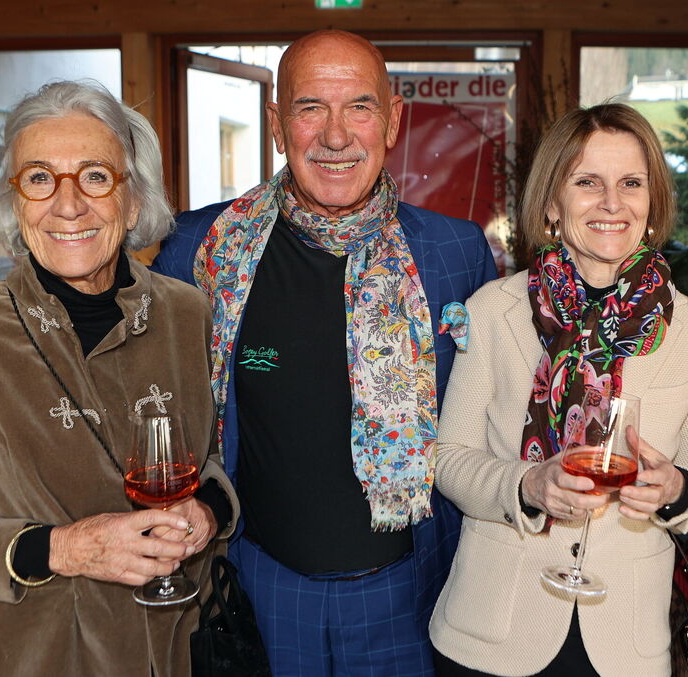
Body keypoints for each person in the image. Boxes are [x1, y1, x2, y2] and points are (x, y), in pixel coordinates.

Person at [152, 30, 496, 676]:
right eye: (310, 107)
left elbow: (504, 403)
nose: (336, 136)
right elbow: (141, 389)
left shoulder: (456, 253)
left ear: (393, 121)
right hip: (261, 585)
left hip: (413, 591)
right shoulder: (201, 249)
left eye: (360, 107)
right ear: (277, 125)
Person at [0, 81, 238, 676]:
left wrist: (208, 512)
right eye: (40, 178)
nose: (68, 204)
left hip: (173, 647)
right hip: (27, 654)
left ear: (133, 200)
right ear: (16, 201)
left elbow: (214, 457)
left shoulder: (188, 314)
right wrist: (64, 548)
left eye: (96, 176)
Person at [428, 103, 688, 675]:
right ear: (551, 205)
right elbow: (448, 458)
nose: (612, 202)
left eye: (631, 183)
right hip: (490, 632)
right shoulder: (493, 311)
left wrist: (676, 489)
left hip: (625, 643)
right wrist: (528, 485)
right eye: (588, 182)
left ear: (652, 202)